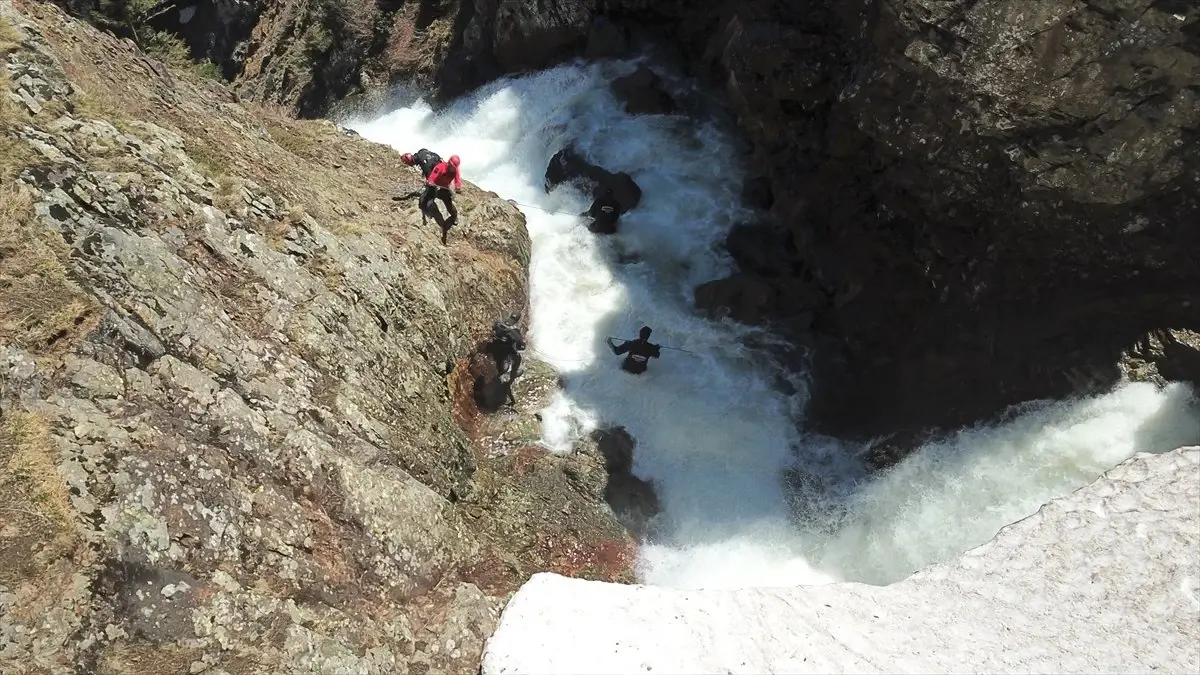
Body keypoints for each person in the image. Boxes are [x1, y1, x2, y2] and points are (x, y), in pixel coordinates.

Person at [421, 155, 462, 244]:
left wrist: (458, 187)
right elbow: (433, 176)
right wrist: (430, 182)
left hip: (444, 189)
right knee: (428, 202)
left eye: (454, 167)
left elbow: (457, 179)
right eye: (452, 166)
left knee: (449, 205)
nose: (453, 169)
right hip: (434, 187)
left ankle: (454, 216)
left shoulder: (455, 171)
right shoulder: (440, 167)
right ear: (449, 163)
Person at [491, 312, 526, 405]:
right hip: (504, 352)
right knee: (506, 369)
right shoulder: (511, 334)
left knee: (513, 368)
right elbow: (521, 346)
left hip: (503, 350)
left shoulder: (501, 325)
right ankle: (501, 378)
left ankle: (507, 378)